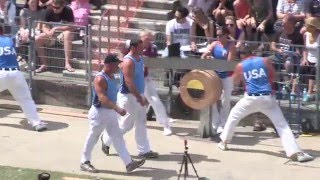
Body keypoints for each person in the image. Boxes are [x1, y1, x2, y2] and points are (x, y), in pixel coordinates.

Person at [217, 43, 314, 163]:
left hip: (251, 98)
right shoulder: (264, 60)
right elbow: (272, 76)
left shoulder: (240, 65)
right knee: (282, 125)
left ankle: (224, 142)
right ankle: (295, 152)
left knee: (233, 116)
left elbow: (237, 82)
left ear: (241, 55)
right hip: (267, 97)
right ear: (251, 52)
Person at [80, 54, 145, 173]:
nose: (118, 66)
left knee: (118, 137)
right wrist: (117, 108)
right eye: (116, 64)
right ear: (108, 65)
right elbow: (102, 98)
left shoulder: (111, 77)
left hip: (110, 113)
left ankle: (129, 163)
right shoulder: (100, 79)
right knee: (93, 137)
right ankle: (84, 161)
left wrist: (115, 109)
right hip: (99, 113)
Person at [100, 39, 159, 159]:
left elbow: (139, 78)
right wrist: (139, 98)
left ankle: (144, 150)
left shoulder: (140, 59)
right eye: (140, 47)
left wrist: (143, 96)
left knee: (141, 123)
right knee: (125, 125)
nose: (143, 49)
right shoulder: (128, 62)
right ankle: (106, 140)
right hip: (128, 97)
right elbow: (129, 83)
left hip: (138, 95)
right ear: (132, 47)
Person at [0, 24, 47, 132]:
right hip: (16, 74)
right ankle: (37, 123)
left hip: (2, 74)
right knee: (26, 100)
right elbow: (21, 38)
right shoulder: (8, 39)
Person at [201, 26, 236, 134]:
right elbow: (204, 56)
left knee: (226, 100)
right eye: (217, 35)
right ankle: (215, 122)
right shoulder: (214, 44)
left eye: (221, 35)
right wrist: (207, 56)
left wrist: (215, 61)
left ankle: (223, 123)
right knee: (213, 98)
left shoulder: (231, 46)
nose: (218, 37)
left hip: (227, 76)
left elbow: (229, 63)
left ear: (226, 35)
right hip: (215, 76)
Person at [140, 30, 173, 136]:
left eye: (150, 39)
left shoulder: (152, 48)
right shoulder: (133, 45)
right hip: (131, 78)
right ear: (141, 37)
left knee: (154, 99)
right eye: (146, 38)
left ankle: (165, 124)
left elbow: (153, 63)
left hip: (144, 78)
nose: (149, 41)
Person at [35, 0, 75, 73]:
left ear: (62, 6)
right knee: (38, 39)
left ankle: (67, 63)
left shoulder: (68, 10)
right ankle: (44, 64)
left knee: (67, 34)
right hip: (51, 35)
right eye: (53, 7)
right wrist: (48, 32)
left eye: (57, 8)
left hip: (63, 35)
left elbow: (71, 26)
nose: (55, 9)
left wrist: (57, 28)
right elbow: (44, 26)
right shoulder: (48, 11)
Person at [291, 17, 320, 102]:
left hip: (318, 60)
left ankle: (309, 92)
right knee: (299, 70)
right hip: (308, 58)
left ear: (314, 27)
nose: (306, 27)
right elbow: (305, 49)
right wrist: (304, 58)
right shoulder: (306, 35)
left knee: (312, 71)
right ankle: (293, 91)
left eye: (308, 26)